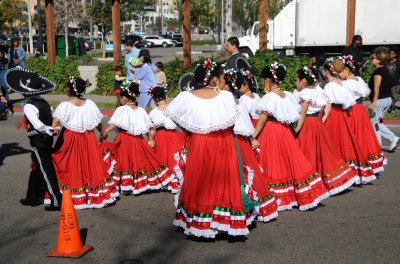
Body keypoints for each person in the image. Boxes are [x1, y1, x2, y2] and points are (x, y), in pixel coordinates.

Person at [165, 58, 263, 238]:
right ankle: (222, 221)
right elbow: (234, 120)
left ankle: (200, 222)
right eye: (223, 77)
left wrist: (191, 129)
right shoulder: (226, 97)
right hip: (223, 142)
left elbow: (172, 115)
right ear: (216, 80)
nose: (225, 80)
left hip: (199, 142)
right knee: (223, 180)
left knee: (200, 179)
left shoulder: (187, 96)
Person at [251, 62, 328, 211]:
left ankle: (276, 196)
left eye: (263, 80)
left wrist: (253, 135)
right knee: (288, 161)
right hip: (285, 131)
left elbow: (263, 118)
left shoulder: (269, 97)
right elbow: (294, 115)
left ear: (267, 80)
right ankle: (292, 194)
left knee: (272, 162)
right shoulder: (287, 95)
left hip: (271, 131)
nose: (262, 82)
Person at [51, 76, 119, 209]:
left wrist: (53, 130)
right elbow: (98, 122)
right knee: (90, 163)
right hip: (88, 138)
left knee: (71, 164)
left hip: (70, 138)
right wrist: (102, 132)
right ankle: (91, 193)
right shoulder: (90, 104)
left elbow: (55, 123)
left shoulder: (64, 106)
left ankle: (72, 193)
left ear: (68, 90)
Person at [293, 65, 358, 195]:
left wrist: (296, 129)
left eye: (296, 80)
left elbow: (303, 113)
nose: (295, 82)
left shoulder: (305, 93)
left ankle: (310, 184)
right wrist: (323, 118)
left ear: (303, 81)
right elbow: (327, 105)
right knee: (321, 152)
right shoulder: (317, 90)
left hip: (308, 124)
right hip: (317, 123)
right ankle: (321, 180)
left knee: (306, 153)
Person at [224, 69, 279, 222]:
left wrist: (251, 137)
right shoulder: (239, 101)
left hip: (234, 139)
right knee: (248, 170)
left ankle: (239, 206)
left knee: (241, 172)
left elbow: (243, 122)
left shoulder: (235, 102)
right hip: (242, 136)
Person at [101, 81, 173, 194]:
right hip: (138, 140)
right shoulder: (141, 110)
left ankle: (126, 184)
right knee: (138, 161)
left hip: (124, 139)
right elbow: (148, 126)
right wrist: (150, 139)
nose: (120, 99)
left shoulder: (122, 109)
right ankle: (136, 182)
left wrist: (104, 131)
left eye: (121, 97)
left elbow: (115, 123)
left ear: (125, 98)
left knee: (125, 161)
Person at [5, 68, 62, 211]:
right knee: (37, 167)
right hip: (46, 140)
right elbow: (53, 119)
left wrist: (50, 129)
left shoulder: (30, 106)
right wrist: (54, 129)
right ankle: (32, 197)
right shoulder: (45, 103)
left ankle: (56, 200)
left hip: (39, 140)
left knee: (45, 170)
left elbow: (38, 125)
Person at [322, 57, 375, 183]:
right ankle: (354, 168)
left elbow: (328, 104)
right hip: (353, 109)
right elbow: (364, 93)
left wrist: (323, 118)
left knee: (338, 142)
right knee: (352, 140)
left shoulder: (334, 85)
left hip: (340, 112)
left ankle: (339, 171)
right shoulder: (349, 82)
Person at [337, 55, 385, 173]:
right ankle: (369, 163)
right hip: (360, 110)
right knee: (364, 136)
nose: (338, 74)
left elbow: (343, 99)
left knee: (354, 138)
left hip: (352, 111)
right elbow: (365, 93)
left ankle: (358, 165)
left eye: (339, 72)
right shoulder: (358, 79)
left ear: (346, 70)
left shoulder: (346, 84)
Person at [148, 85, 186, 194]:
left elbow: (152, 129)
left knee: (161, 158)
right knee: (175, 158)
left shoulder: (154, 112)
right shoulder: (173, 108)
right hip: (175, 136)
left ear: (154, 99)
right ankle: (176, 179)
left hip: (161, 136)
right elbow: (182, 123)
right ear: (165, 96)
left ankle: (163, 180)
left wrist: (150, 139)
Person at [368, 48, 399, 151]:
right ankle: (391, 138)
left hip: (380, 101)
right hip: (387, 100)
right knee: (379, 121)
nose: (371, 59)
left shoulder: (378, 72)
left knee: (375, 122)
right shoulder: (385, 70)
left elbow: (376, 88)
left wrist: (374, 102)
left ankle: (378, 145)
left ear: (379, 60)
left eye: (373, 58)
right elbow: (391, 83)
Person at [386, 47, 400, 112]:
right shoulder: (387, 62)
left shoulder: (398, 63)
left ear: (395, 55)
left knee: (393, 96)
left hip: (394, 82)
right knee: (387, 96)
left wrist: (398, 84)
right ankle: (388, 108)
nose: (390, 55)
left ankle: (393, 108)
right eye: (389, 53)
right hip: (386, 82)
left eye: (392, 53)